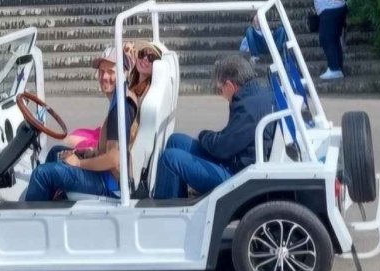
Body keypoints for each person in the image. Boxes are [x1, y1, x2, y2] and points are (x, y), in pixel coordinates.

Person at [24, 48, 144, 202]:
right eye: (101, 71)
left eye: (111, 71)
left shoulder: (120, 108)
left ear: (124, 73)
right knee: (56, 152)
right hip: (110, 175)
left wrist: (79, 162)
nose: (104, 77)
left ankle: (32, 222)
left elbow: (114, 159)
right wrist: (87, 152)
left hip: (111, 185)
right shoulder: (121, 97)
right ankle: (50, 205)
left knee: (42, 174)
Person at [152, 55, 276, 200]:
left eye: (220, 89)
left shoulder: (248, 108)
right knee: (176, 140)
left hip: (238, 177)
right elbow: (231, 139)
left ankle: (167, 216)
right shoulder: (256, 94)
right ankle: (176, 200)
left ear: (230, 85)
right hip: (237, 160)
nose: (221, 94)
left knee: (170, 159)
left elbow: (222, 148)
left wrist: (204, 135)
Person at [312, 0, 347, 79]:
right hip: (330, 11)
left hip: (330, 10)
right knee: (333, 39)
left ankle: (334, 68)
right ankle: (337, 67)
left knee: (326, 38)